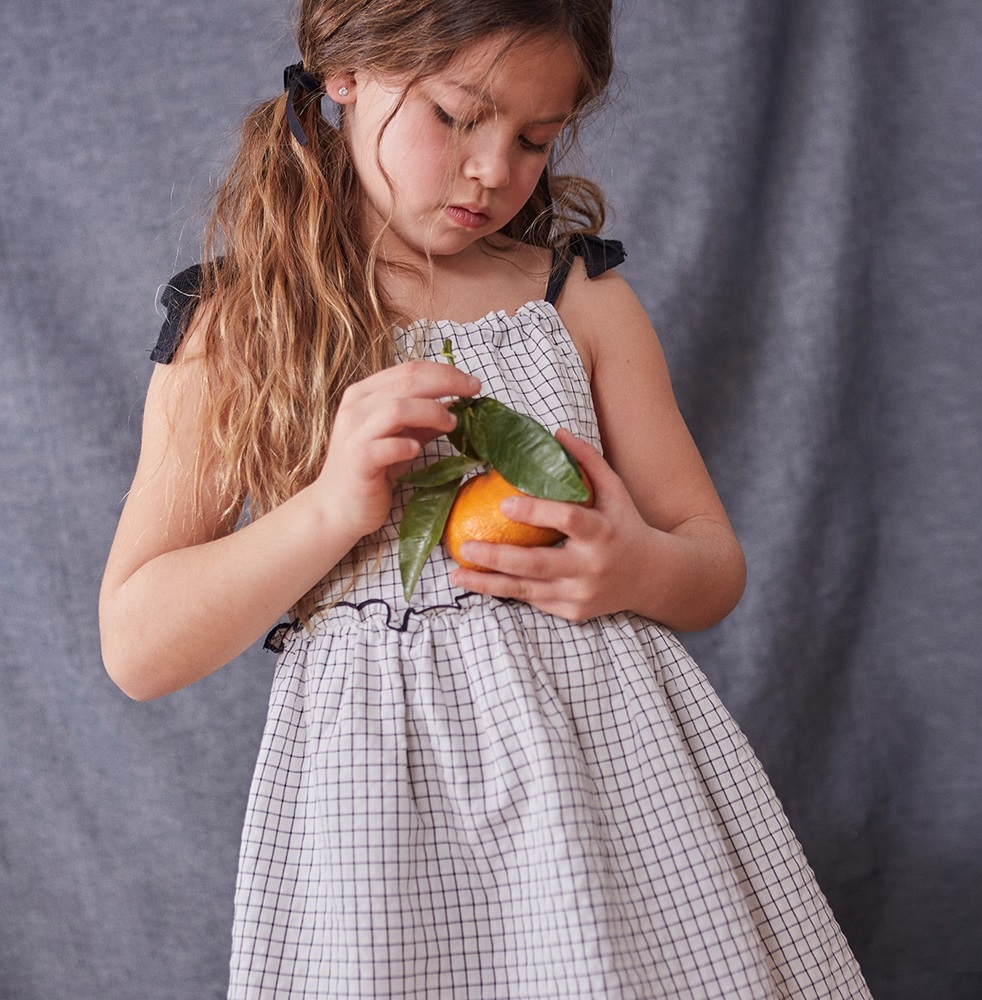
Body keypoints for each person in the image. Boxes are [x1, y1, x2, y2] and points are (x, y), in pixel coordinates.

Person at [100, 0, 872, 996]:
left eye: (533, 139)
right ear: (346, 70)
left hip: (614, 812)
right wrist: (332, 504)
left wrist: (633, 564)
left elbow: (711, 565)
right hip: (378, 828)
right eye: (458, 116)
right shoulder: (235, 325)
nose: (494, 170)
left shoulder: (577, 300)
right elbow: (139, 644)